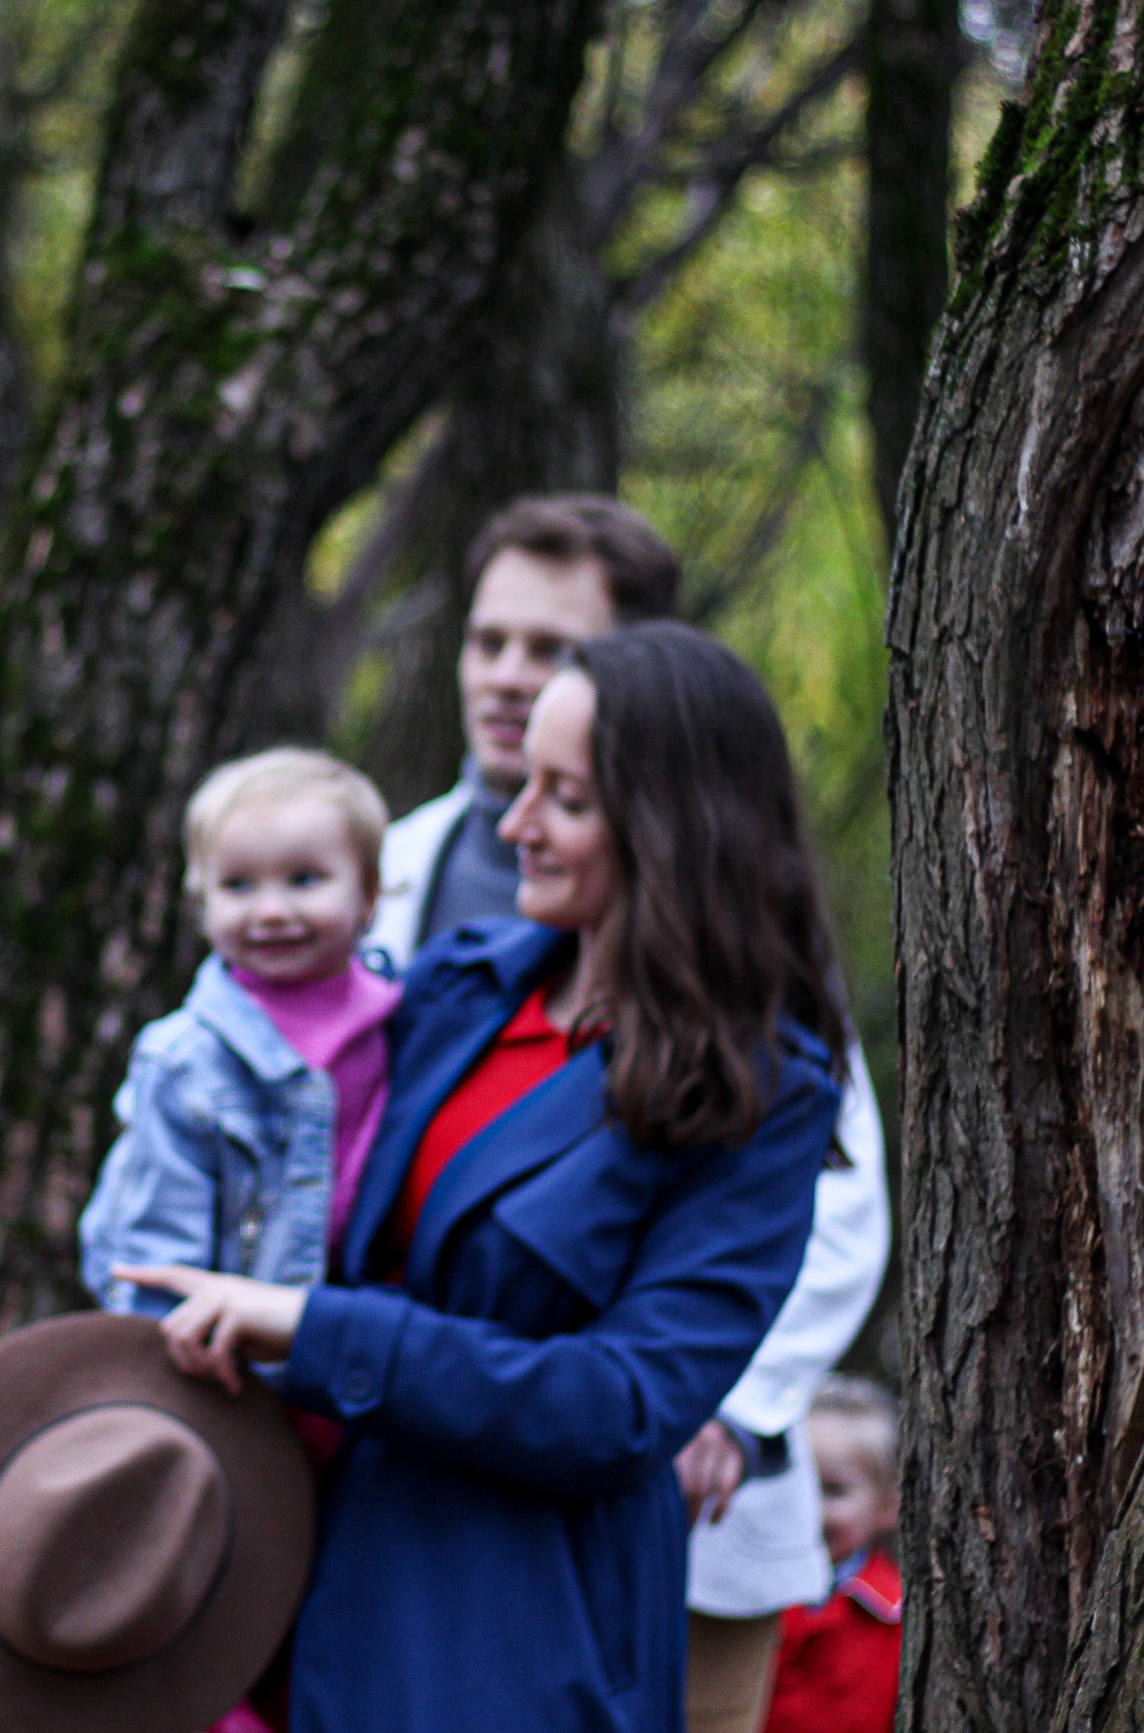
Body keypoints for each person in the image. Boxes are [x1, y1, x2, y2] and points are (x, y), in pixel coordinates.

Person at [118, 622, 846, 1733]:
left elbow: (623, 1406)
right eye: (523, 785)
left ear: (670, 827)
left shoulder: (761, 1089)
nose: (515, 825)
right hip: (309, 1567)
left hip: (516, 1630)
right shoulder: (455, 987)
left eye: (565, 799)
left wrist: (318, 1329)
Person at [365, 493, 890, 1733]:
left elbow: (827, 1196)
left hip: (671, 1502)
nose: (508, 675)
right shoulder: (388, 871)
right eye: (488, 639)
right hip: (418, 1510)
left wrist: (717, 1398)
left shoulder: (742, 970)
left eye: (549, 647)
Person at [78, 746, 401, 1319]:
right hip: (224, 1344)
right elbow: (155, 1242)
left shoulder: (407, 1022)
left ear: (369, 893)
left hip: (359, 1335)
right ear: (200, 901)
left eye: (304, 880)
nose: (271, 911)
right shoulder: (184, 1060)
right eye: (238, 885)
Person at [757, 1378, 903, 1733]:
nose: (808, 1509)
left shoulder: (898, 1617)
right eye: (797, 1485)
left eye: (833, 1490)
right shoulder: (745, 1592)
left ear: (887, 1504)